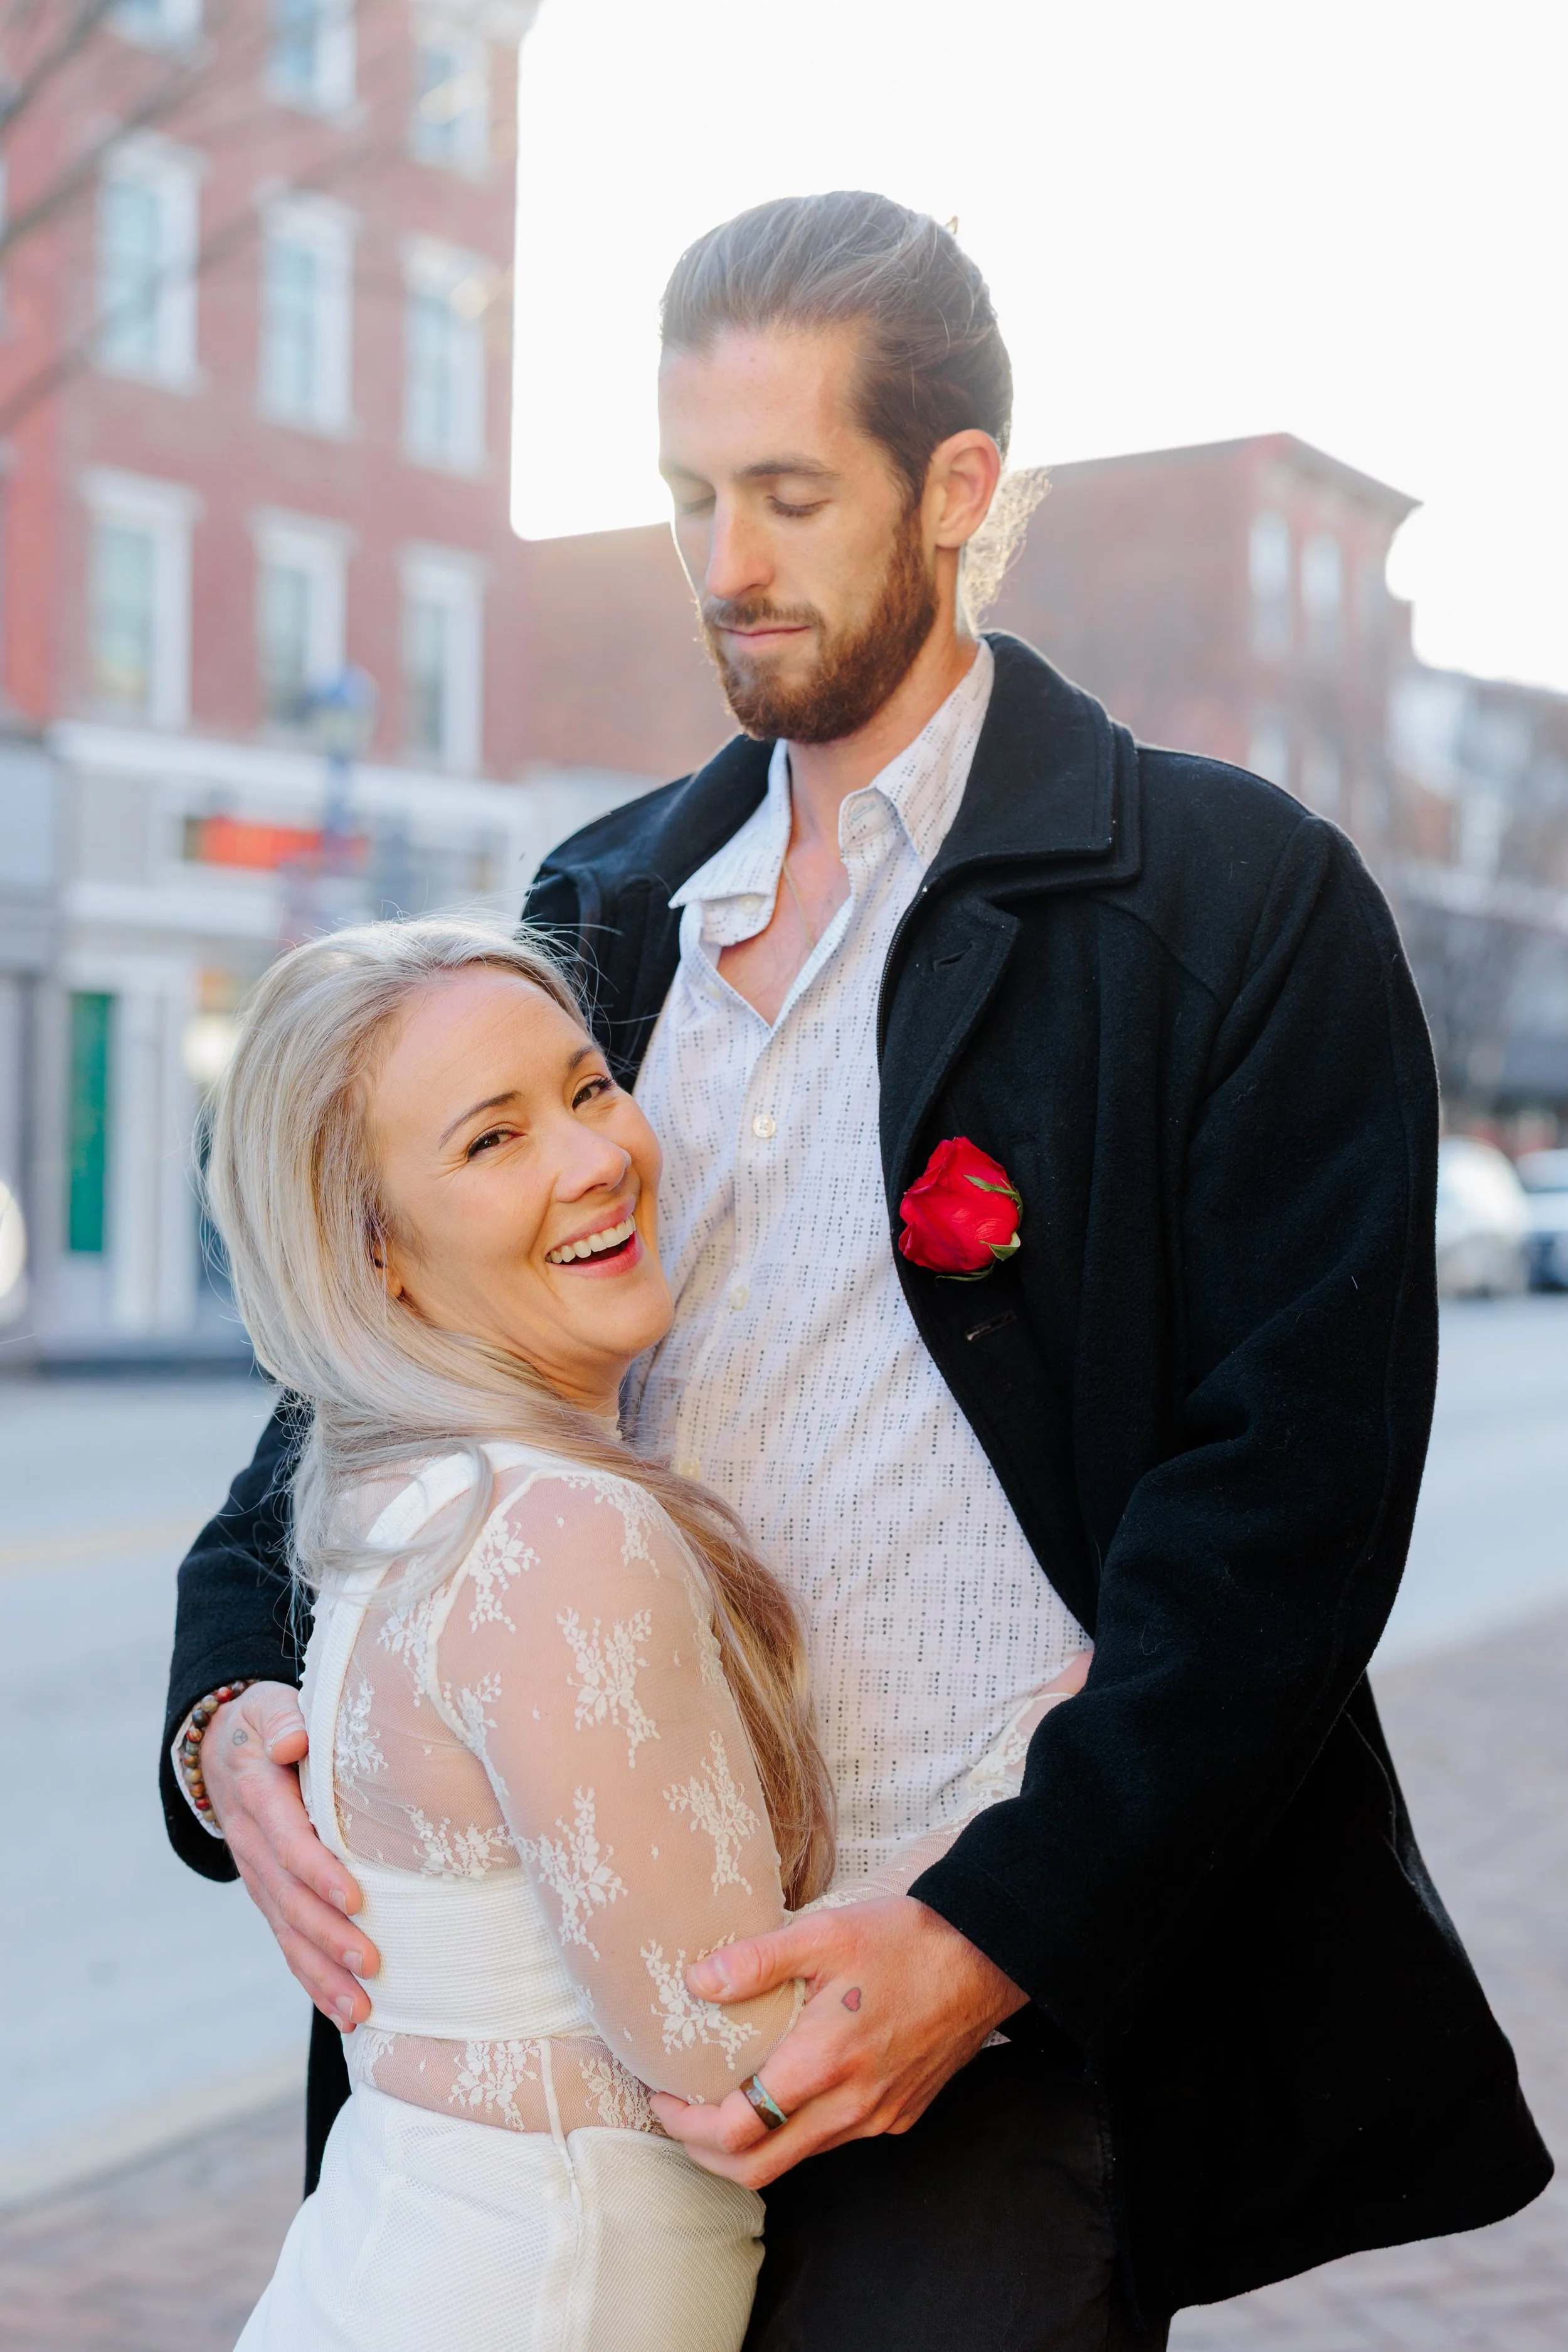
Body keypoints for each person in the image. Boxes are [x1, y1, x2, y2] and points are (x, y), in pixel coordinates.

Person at [164, 193, 1550, 2349]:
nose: (723, 559)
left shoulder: (1231, 902)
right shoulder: (605, 900)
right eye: (686, 493)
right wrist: (231, 1700)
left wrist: (994, 1934)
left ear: (955, 487)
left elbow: (1286, 1508)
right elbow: (377, 1344)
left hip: (962, 2026)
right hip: (579, 2051)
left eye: (788, 494)